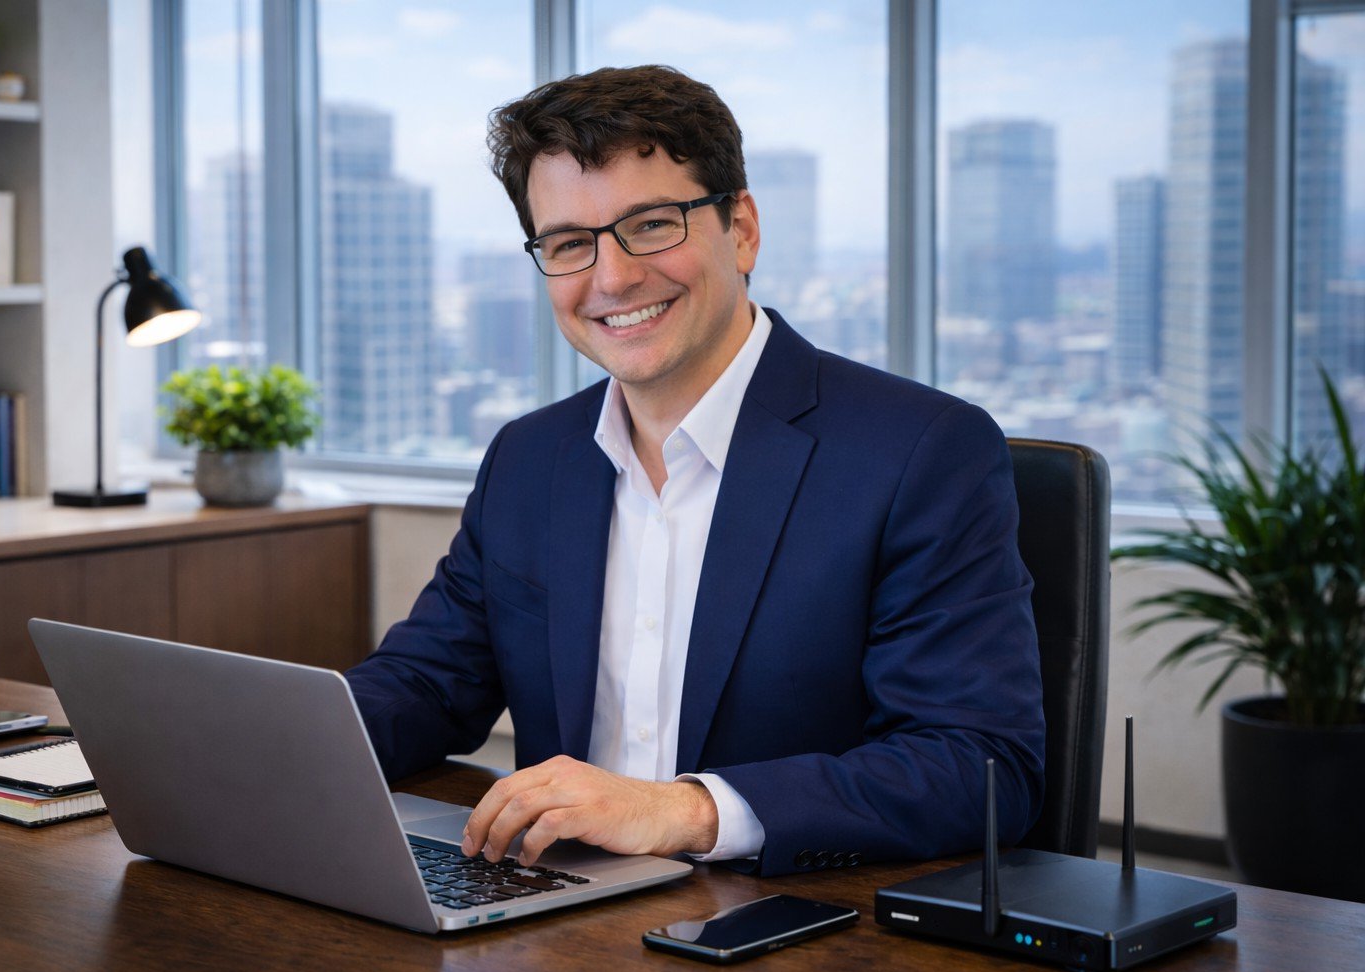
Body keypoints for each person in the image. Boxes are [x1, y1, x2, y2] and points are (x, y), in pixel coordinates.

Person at [344, 65, 1045, 877]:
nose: (611, 278)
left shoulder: (922, 450)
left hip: (798, 933)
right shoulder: (528, 459)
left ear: (740, 228)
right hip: (557, 920)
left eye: (651, 225)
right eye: (571, 244)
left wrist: (685, 811)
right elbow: (428, 684)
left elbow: (978, 767)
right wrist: (257, 740)